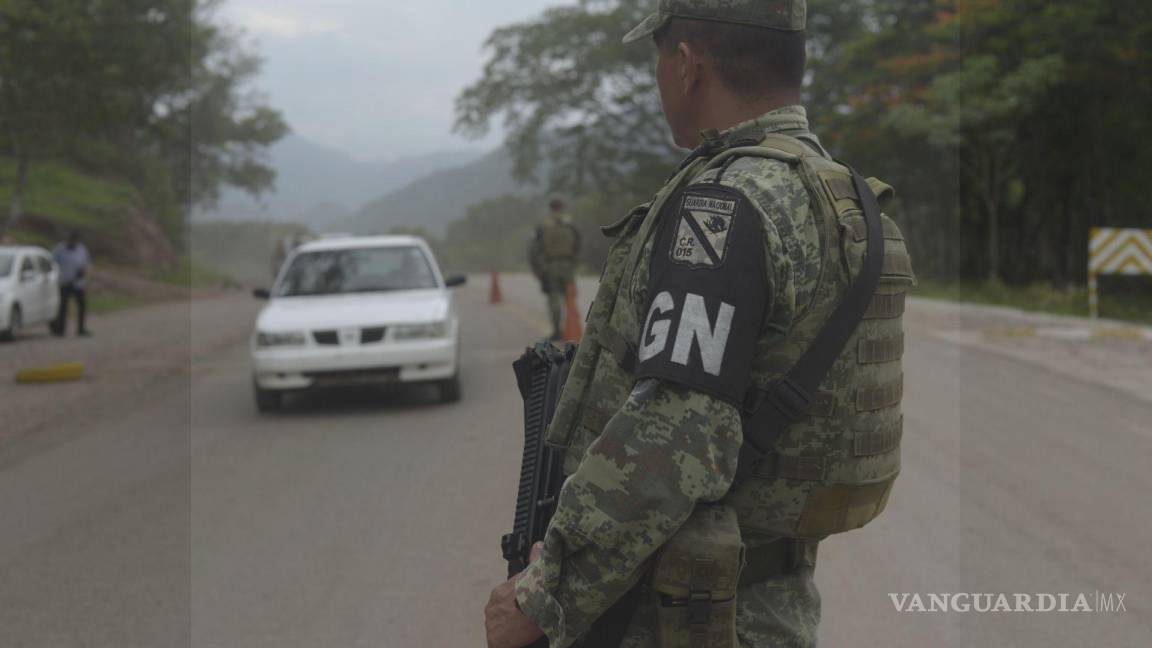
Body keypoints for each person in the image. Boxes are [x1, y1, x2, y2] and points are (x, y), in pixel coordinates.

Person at [486, 2, 915, 648]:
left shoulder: (724, 207)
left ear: (687, 66)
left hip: (678, 617)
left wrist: (542, 598)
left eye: (660, 57)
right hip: (772, 603)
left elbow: (673, 438)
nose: (660, 75)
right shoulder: (836, 195)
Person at [528, 198, 580, 340]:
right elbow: (577, 244)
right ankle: (574, 329)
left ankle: (557, 331)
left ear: (550, 208)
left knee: (553, 299)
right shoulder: (570, 223)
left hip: (550, 267)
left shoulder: (542, 226)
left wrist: (537, 268)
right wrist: (573, 262)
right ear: (562, 207)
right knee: (570, 297)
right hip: (567, 266)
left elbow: (533, 249)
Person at [51, 231, 92, 337]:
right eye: (70, 241)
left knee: (82, 306)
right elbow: (52, 263)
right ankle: (61, 329)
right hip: (64, 283)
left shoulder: (82, 250)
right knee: (63, 307)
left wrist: (83, 272)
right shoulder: (59, 249)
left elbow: (86, 264)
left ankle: (81, 328)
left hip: (78, 284)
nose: (72, 243)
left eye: (74, 241)